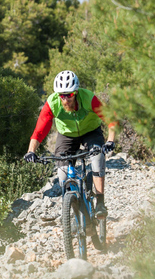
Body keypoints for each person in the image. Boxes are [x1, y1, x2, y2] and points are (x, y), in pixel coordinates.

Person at [23, 70, 117, 223]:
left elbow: (111, 120)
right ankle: (75, 212)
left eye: (69, 95)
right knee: (63, 175)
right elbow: (39, 131)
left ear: (76, 92)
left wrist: (110, 141)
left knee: (97, 158)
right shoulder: (52, 103)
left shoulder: (88, 98)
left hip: (91, 131)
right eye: (62, 95)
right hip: (66, 135)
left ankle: (100, 202)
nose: (65, 99)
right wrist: (30, 151)